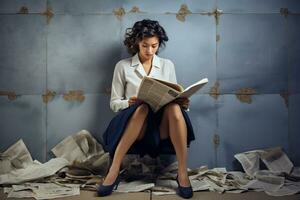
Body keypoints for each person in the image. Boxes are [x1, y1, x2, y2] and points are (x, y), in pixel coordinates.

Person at [97, 19, 195, 199]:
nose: (150, 51)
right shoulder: (122, 66)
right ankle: (113, 170)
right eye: (145, 46)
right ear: (136, 43)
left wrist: (182, 103)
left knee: (174, 107)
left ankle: (182, 173)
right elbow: (114, 103)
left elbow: (173, 94)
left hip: (162, 126)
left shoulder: (167, 65)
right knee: (142, 108)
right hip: (136, 125)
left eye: (154, 46)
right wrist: (129, 102)